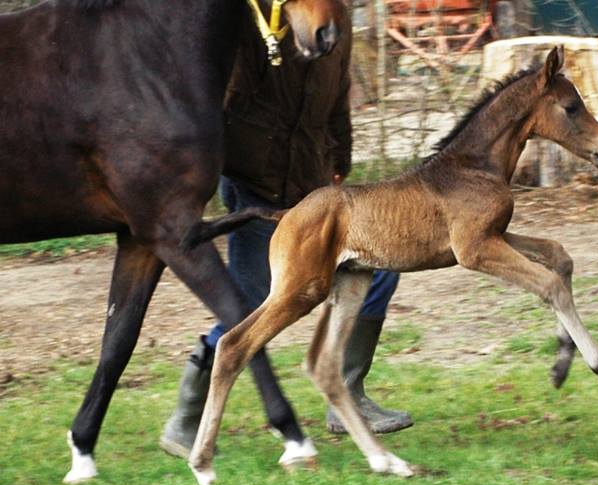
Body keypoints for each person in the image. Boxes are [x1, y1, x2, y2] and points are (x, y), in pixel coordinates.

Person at [159, 7, 412, 458]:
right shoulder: (251, 25)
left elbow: (337, 102)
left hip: (315, 183)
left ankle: (348, 393)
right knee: (251, 303)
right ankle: (187, 414)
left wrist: (340, 162)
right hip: (257, 186)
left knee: (380, 269)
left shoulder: (337, 21)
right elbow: (221, 102)